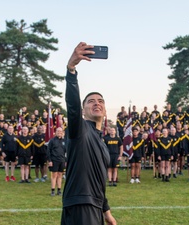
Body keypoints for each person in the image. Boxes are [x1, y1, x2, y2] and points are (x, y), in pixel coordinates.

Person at [61, 42, 116, 225]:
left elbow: (99, 181)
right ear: (84, 111)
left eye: (100, 101)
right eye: (91, 101)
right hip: (80, 206)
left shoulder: (102, 142)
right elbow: (73, 107)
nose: (96, 103)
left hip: (95, 206)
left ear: (106, 110)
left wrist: (106, 211)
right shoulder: (80, 130)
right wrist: (71, 70)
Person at [47, 127, 66, 196]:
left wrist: (66, 161)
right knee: (54, 175)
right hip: (54, 160)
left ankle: (59, 190)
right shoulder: (52, 141)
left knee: (60, 175)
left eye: (60, 131)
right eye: (58, 131)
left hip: (62, 160)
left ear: (62, 132)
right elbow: (48, 151)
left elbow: (66, 152)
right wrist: (50, 160)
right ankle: (52, 190)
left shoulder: (64, 141)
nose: (59, 132)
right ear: (55, 132)